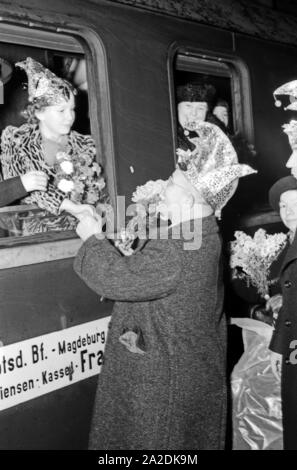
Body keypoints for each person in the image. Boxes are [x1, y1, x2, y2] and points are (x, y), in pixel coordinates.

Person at [72, 120, 255, 450]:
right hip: (181, 376)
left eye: (171, 182)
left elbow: (118, 281)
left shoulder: (179, 247)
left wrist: (91, 238)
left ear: (187, 201)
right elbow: (154, 276)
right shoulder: (199, 235)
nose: (163, 187)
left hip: (163, 387)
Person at [0, 57, 106, 233]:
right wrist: (70, 206)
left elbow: (96, 187)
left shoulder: (85, 144)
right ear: (40, 112)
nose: (70, 117)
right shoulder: (17, 141)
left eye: (72, 109)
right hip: (33, 234)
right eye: (61, 110)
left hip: (82, 229)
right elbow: (22, 189)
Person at [268, 175, 297, 450]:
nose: (287, 213)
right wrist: (279, 346)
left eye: (294, 204)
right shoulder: (291, 242)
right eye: (283, 206)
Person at [176, 82, 216, 152]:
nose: (194, 113)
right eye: (188, 106)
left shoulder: (215, 139)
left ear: (206, 112)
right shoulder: (167, 137)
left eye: (200, 108)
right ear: (177, 108)